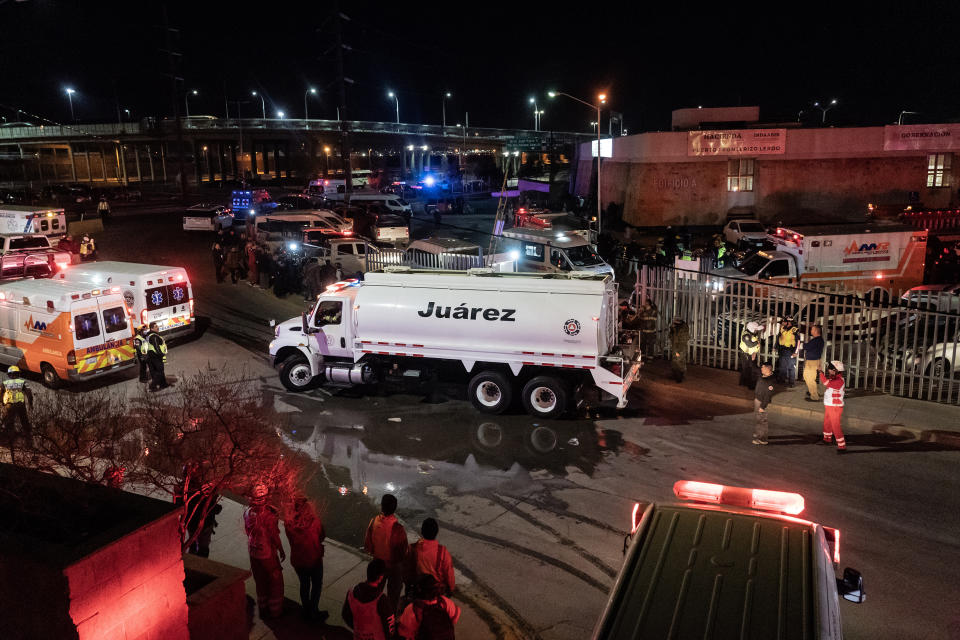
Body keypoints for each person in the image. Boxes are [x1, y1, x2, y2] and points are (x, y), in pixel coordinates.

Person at [244, 483, 285, 619]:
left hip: (253, 551)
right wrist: (281, 549)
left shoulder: (248, 512)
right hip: (266, 553)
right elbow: (274, 535)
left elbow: (247, 531)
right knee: (275, 579)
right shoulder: (268, 515)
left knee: (260, 579)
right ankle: (275, 611)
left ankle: (263, 607)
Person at [284, 496, 329, 621]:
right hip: (314, 559)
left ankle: (306, 610)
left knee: (304, 585)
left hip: (298, 561)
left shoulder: (289, 525)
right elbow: (322, 536)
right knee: (316, 586)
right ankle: (314, 611)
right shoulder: (315, 522)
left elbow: (290, 538)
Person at [364, 494, 409, 613]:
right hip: (393, 566)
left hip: (377, 564)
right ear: (395, 508)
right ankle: (390, 618)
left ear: (381, 506)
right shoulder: (398, 529)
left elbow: (367, 545)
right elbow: (403, 552)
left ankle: (372, 614)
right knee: (393, 596)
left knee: (374, 592)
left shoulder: (373, 522)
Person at [342, 559, 395, 640]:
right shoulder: (381, 600)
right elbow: (390, 628)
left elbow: (345, 615)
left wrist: (359, 629)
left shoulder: (351, 592)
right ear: (380, 577)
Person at [397, 575, 460, 640]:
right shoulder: (445, 602)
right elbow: (455, 616)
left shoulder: (413, 609)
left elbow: (405, 633)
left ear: (419, 590)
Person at [404, 518, 455, 598]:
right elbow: (449, 573)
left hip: (417, 590)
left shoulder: (412, 549)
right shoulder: (442, 552)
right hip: (436, 592)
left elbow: (406, 570)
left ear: (422, 531)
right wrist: (450, 589)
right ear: (436, 532)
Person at [818, 361, 847, 453]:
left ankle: (842, 446)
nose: (829, 371)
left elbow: (826, 383)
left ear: (836, 370)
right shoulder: (835, 378)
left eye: (830, 369)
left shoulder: (839, 381)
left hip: (835, 407)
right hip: (830, 405)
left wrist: (820, 373)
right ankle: (827, 439)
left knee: (835, 426)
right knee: (827, 422)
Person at [2, 365, 33, 442]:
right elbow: (29, 393)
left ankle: (10, 440)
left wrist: (2, 403)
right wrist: (30, 404)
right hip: (20, 405)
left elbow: (0, 393)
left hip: (9, 406)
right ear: (18, 374)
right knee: (24, 421)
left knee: (9, 422)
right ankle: (29, 438)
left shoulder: (4, 383)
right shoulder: (23, 382)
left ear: (9, 375)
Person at [140, 322, 169, 391]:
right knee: (160, 371)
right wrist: (161, 354)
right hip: (155, 355)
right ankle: (153, 386)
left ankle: (163, 384)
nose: (157, 327)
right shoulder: (154, 336)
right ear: (152, 328)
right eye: (156, 326)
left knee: (155, 371)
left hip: (150, 355)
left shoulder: (148, 335)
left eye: (157, 326)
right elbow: (156, 346)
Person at [753, 362, 774, 445]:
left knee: (762, 421)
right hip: (757, 400)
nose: (761, 369)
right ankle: (758, 433)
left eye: (762, 367)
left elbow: (768, 396)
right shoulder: (763, 375)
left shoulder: (770, 381)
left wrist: (763, 406)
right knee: (758, 419)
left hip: (762, 402)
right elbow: (753, 367)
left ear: (767, 369)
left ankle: (763, 439)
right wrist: (753, 359)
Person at [802, 325, 824, 402]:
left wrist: (801, 344)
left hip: (812, 362)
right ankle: (813, 391)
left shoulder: (816, 340)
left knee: (809, 378)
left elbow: (807, 347)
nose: (811, 331)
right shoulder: (818, 340)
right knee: (809, 377)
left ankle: (814, 396)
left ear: (816, 331)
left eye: (812, 329)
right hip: (814, 361)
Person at [776, 317, 799, 387]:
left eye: (784, 322)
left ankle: (791, 382)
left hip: (790, 350)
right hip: (782, 350)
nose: (782, 324)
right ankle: (781, 380)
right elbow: (779, 338)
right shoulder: (782, 328)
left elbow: (798, 342)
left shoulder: (795, 330)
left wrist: (796, 352)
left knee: (791, 367)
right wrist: (775, 347)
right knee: (782, 366)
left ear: (789, 322)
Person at [738, 321, 763, 388]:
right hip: (746, 354)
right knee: (749, 368)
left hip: (750, 353)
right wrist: (757, 343)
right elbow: (750, 345)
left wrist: (754, 352)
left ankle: (744, 383)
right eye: (756, 329)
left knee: (748, 368)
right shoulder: (746, 335)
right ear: (752, 329)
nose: (757, 330)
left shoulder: (751, 334)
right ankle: (749, 384)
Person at [667, 317, 689, 383]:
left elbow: (679, 339)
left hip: (679, 348)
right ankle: (676, 374)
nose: (674, 323)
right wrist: (672, 329)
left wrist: (673, 329)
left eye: (675, 322)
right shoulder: (676, 328)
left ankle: (680, 376)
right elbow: (671, 337)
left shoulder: (682, 329)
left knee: (678, 361)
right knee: (675, 361)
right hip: (676, 347)